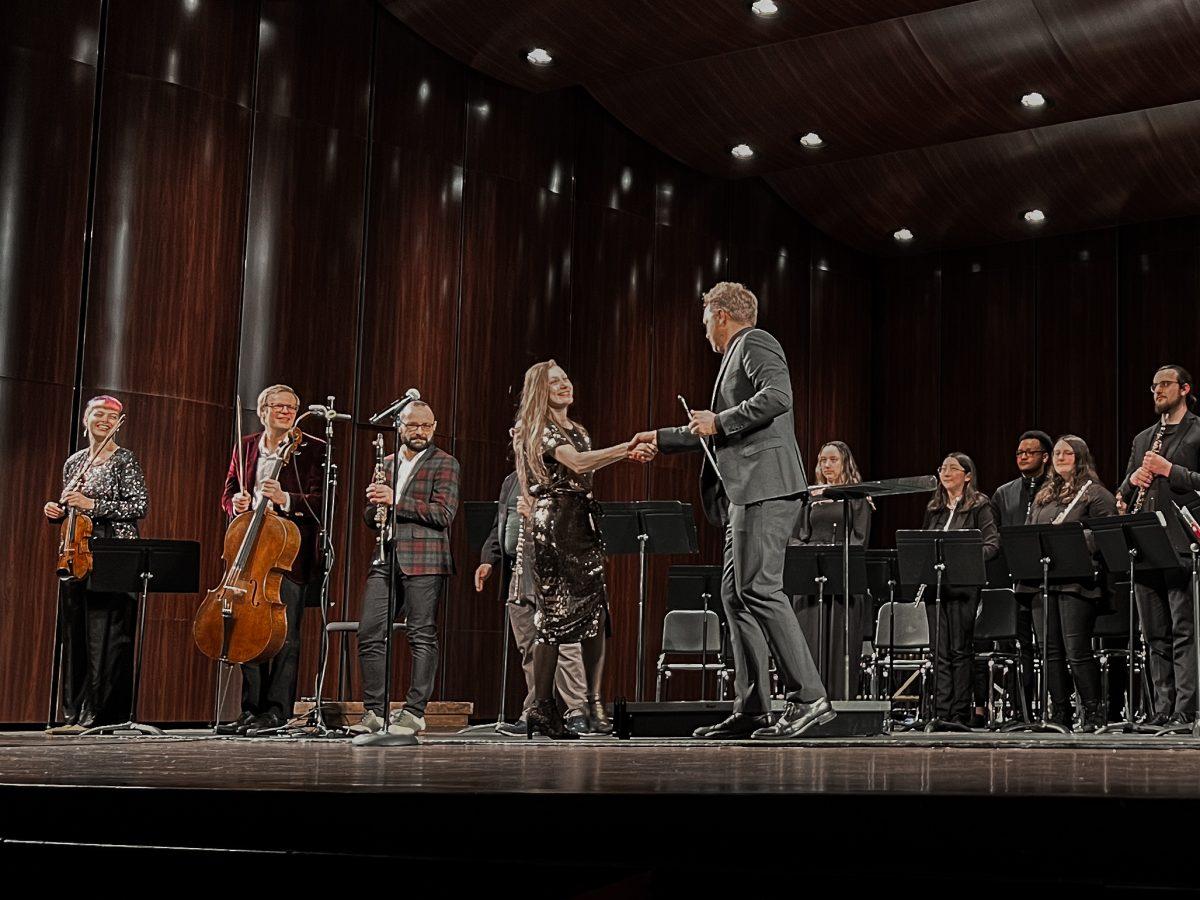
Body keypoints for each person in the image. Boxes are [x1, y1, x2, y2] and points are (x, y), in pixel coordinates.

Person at [633, 281, 834, 739]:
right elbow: (716, 429)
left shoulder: (754, 342)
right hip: (743, 495)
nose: (704, 330)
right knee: (734, 595)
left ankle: (809, 697)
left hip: (765, 488)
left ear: (722, 315)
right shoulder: (734, 356)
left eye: (706, 319)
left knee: (760, 589)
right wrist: (661, 438)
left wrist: (720, 419)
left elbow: (779, 396)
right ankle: (753, 708)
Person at [512, 360, 642, 739]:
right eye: (555, 382)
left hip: (582, 524)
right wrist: (626, 447)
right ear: (541, 389)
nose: (565, 385)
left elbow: (588, 467)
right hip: (554, 527)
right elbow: (580, 462)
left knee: (596, 613)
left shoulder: (579, 430)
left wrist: (625, 454)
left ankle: (593, 702)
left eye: (566, 378)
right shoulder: (538, 429)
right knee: (554, 618)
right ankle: (541, 705)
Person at [218, 384, 324, 735]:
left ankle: (277, 710)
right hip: (249, 554)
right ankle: (250, 710)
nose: (285, 412)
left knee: (283, 636)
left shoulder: (311, 448)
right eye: (277, 406)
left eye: (291, 407)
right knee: (248, 631)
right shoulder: (246, 445)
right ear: (262, 411)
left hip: (287, 555)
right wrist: (235, 504)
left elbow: (322, 501)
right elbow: (230, 489)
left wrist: (286, 498)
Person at [353, 400, 460, 737]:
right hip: (386, 555)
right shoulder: (385, 464)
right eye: (414, 425)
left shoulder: (445, 463)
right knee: (370, 631)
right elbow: (372, 518)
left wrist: (394, 502)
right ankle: (375, 711)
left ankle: (414, 712)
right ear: (399, 425)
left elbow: (443, 514)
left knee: (421, 633)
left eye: (427, 426)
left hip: (425, 558)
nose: (420, 432)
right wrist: (374, 506)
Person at [43, 395, 148, 734]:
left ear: (121, 423)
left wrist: (92, 503)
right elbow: (71, 508)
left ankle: (101, 715)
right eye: (98, 414)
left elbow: (138, 506)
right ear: (85, 419)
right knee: (75, 634)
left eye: (111, 416)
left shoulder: (125, 460)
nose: (104, 420)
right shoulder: (75, 462)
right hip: (76, 552)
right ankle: (73, 714)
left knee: (106, 635)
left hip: (113, 552)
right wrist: (57, 511)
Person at [475, 470, 588, 735]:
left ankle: (577, 710)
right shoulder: (510, 479)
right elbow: (501, 524)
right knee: (528, 646)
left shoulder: (562, 475)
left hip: (552, 568)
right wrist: (487, 559)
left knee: (564, 644)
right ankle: (536, 711)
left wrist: (538, 512)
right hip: (517, 570)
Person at [1119, 364, 1200, 727]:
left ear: (1184, 388)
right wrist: (1130, 484)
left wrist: (1171, 470)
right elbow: (1123, 494)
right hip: (1146, 544)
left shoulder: (1197, 431)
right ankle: (1161, 709)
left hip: (1182, 545)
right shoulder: (1142, 439)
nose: (1157, 391)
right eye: (1153, 386)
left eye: (1164, 384)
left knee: (1184, 631)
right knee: (1153, 636)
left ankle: (1186, 710)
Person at [1027, 436, 1117, 732]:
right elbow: (1030, 534)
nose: (1060, 457)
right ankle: (1060, 714)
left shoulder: (1096, 495)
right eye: (1056, 453)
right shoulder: (1044, 496)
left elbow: (1107, 536)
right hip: (1045, 584)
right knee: (1050, 652)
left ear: (1080, 458)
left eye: (1067, 453)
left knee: (1076, 650)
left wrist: (1071, 542)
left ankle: (1092, 712)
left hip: (1078, 584)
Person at [921, 452, 999, 727]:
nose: (946, 472)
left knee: (959, 651)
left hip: (964, 587)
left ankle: (959, 713)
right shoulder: (935, 509)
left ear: (968, 475)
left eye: (953, 468)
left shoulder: (980, 505)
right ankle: (941, 712)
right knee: (939, 652)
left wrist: (964, 557)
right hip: (937, 587)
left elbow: (991, 545)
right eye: (943, 468)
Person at [790, 441, 871, 699]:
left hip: (841, 577)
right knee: (808, 639)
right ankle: (809, 699)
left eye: (833, 460)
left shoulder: (858, 496)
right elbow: (797, 535)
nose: (826, 465)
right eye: (823, 460)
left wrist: (837, 559)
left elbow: (859, 539)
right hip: (810, 576)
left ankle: (838, 698)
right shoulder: (810, 495)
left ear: (845, 462)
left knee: (839, 642)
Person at [986, 429, 1052, 719]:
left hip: (1048, 579)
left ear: (1045, 456)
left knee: (1050, 646)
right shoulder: (1004, 493)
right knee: (1018, 647)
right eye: (1019, 453)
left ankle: (1055, 710)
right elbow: (995, 538)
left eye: (1030, 452)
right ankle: (1020, 710)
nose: (1023, 457)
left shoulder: (1055, 487)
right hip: (1015, 581)